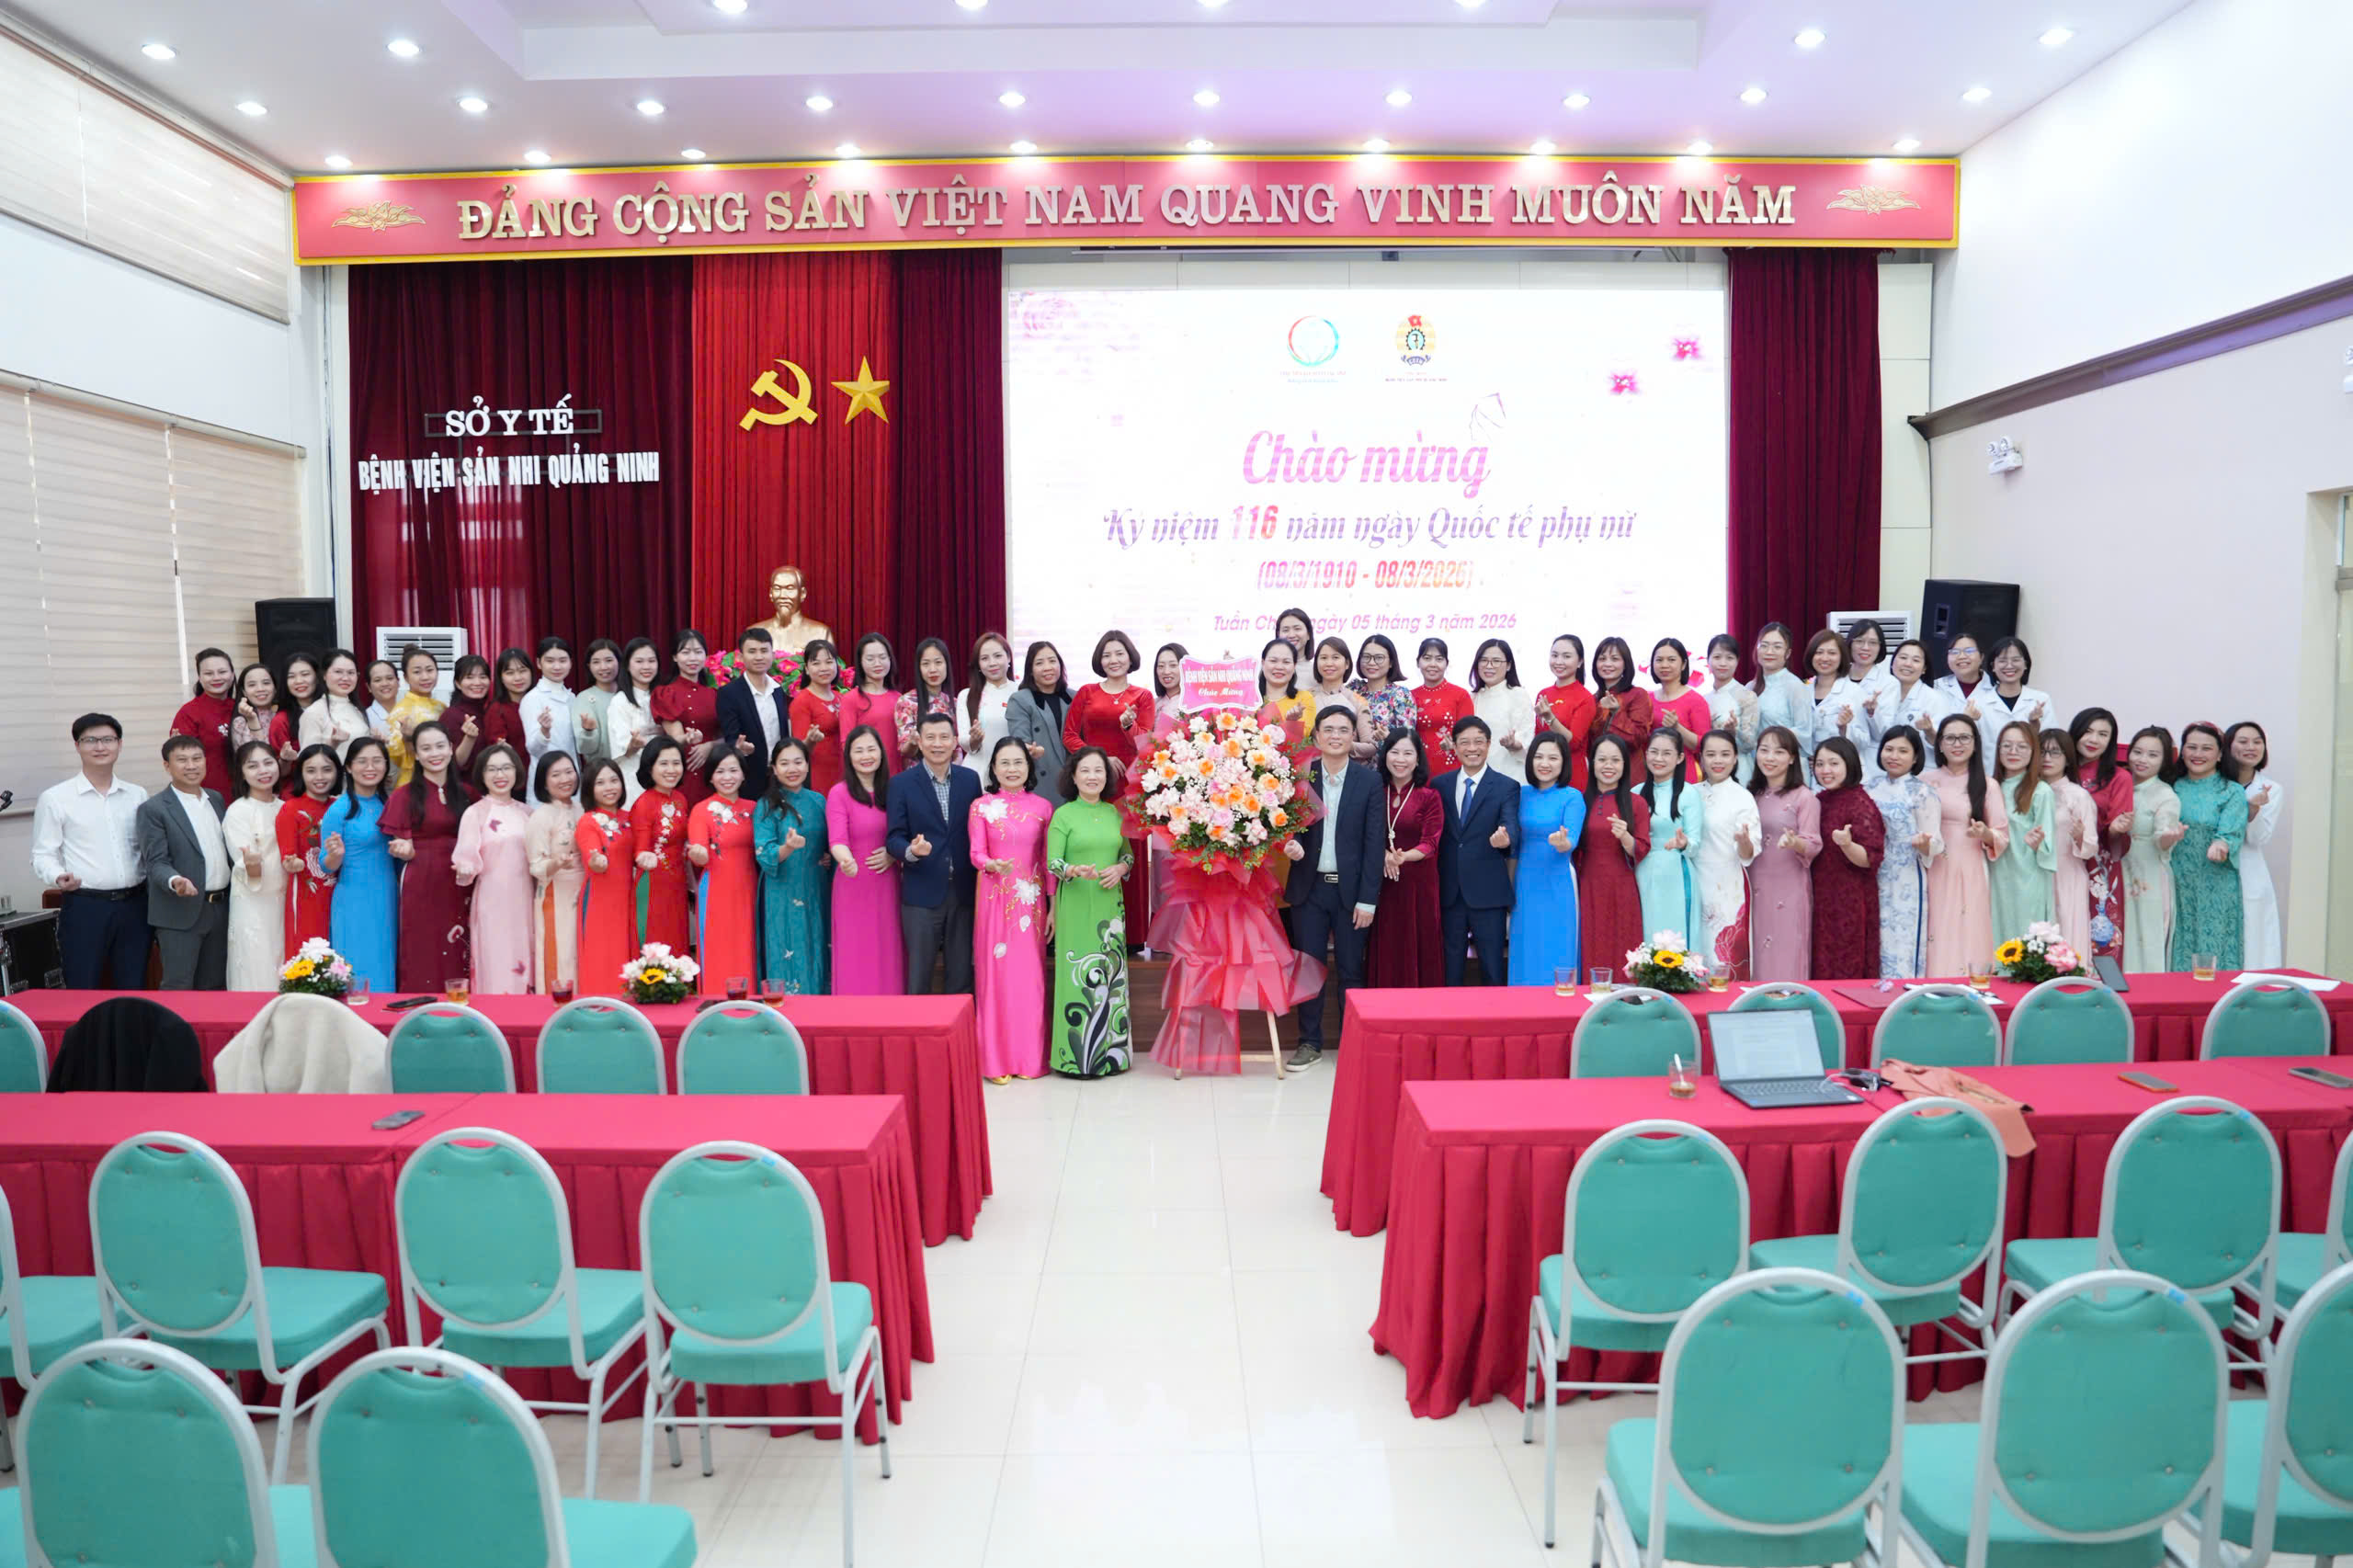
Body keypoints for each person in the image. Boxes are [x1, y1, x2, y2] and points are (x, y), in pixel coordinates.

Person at [1279, 706, 1388, 1069]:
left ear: (1353, 736)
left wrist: (1368, 900)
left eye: (1343, 729)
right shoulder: (1302, 777)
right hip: (1309, 890)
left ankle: (1351, 1045)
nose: (1336, 736)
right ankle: (1309, 1043)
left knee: (1351, 969)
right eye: (1328, 729)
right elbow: (1288, 826)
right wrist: (1291, 845)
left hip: (1351, 892)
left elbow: (1374, 845)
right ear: (1316, 736)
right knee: (1308, 968)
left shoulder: (1369, 782)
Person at [32, 713, 152, 989]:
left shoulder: (137, 795)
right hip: (86, 907)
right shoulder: (56, 798)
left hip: (135, 906)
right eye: (90, 740)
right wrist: (58, 876)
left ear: (119, 744)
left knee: (134, 988)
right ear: (77, 746)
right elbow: (43, 853)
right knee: (83, 987)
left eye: (108, 739)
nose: (100, 747)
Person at [1046, 746, 1134, 1077]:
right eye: (1085, 770)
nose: (1092, 776)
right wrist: (1072, 870)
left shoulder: (1115, 813)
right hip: (1076, 904)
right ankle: (1075, 1059)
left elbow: (1128, 856)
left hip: (1110, 907)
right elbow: (1052, 862)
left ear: (1106, 777)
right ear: (1073, 776)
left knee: (1111, 977)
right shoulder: (1064, 815)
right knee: (1078, 977)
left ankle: (1113, 1057)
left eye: (1098, 770)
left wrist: (1121, 869)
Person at [971, 736, 1053, 1080]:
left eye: (1018, 762)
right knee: (995, 980)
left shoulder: (1043, 808)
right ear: (993, 768)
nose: (1012, 769)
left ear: (1028, 766)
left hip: (1031, 904)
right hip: (994, 900)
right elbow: (976, 853)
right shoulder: (981, 806)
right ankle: (996, 1062)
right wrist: (991, 864)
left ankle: (1029, 1059)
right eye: (1004, 763)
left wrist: (1053, 906)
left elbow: (1047, 862)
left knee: (1029, 980)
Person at [1064, 631, 1154, 944]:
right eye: (1107, 655)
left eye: (1119, 653)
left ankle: (1133, 935)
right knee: (1094, 848)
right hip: (1094, 783)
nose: (1113, 660)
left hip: (1130, 786)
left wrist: (1128, 724)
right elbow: (1070, 736)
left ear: (1130, 657)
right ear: (1099, 660)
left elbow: (1145, 743)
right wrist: (1099, 758)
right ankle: (1094, 929)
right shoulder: (1087, 692)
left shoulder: (1143, 696)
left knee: (1130, 852)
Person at [888, 711, 984, 994]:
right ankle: (915, 1024)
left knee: (961, 976)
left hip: (963, 892)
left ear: (955, 741)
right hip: (921, 891)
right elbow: (893, 837)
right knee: (919, 975)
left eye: (944, 737)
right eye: (930, 737)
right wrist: (911, 851)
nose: (938, 744)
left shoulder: (970, 780)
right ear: (919, 741)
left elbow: (977, 831)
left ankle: (960, 1024)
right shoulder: (901, 784)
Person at [383, 721, 473, 991]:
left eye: (440, 746)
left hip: (462, 880)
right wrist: (403, 848)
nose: (434, 754)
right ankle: (422, 1005)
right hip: (422, 879)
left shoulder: (468, 794)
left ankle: (463, 1006)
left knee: (462, 945)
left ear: (451, 748)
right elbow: (400, 840)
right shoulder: (404, 796)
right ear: (416, 754)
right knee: (423, 945)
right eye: (426, 748)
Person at [137, 734, 233, 989]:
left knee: (215, 986)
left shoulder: (216, 799)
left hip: (220, 908)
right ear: (167, 766)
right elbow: (155, 862)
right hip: (180, 911)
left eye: (197, 758)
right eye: (182, 760)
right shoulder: (154, 809)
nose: (191, 766)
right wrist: (175, 880)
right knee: (178, 986)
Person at [1434, 716, 1519, 986]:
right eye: (1465, 742)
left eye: (1478, 742)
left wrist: (1505, 840)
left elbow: (1511, 826)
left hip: (1488, 893)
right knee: (1450, 971)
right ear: (1455, 746)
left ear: (1489, 744)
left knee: (1493, 969)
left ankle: (1496, 1015)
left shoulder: (1506, 786)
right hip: (1449, 893)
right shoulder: (1439, 785)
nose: (1472, 748)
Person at [1923, 713, 2009, 976]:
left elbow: (2002, 835)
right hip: (1931, 865)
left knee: (1968, 925)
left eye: (1964, 738)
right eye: (1950, 738)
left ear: (1975, 743)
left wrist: (1985, 834)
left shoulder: (1987, 785)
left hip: (1969, 866)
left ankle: (1971, 985)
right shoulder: (1924, 781)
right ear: (1939, 744)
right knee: (1934, 926)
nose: (1957, 744)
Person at [451, 744, 534, 994]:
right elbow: (466, 858)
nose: (500, 775)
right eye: (492, 769)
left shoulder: (528, 813)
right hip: (492, 899)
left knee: (526, 955)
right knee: (495, 958)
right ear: (482, 774)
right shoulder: (475, 813)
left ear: (517, 771)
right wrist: (465, 868)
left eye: (506, 767)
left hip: (526, 899)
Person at [1365, 729, 1445, 988]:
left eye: (1408, 753)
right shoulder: (1374, 791)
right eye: (1395, 752)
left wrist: (1402, 857)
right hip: (1382, 883)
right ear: (1385, 755)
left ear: (1418, 759)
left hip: (1418, 885)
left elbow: (1431, 843)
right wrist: (1384, 856)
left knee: (1419, 946)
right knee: (1387, 946)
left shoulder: (1429, 796)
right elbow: (1362, 834)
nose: (1400, 759)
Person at [827, 726, 904, 996]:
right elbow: (837, 840)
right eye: (858, 750)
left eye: (871, 749)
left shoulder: (894, 789)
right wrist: (846, 860)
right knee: (855, 952)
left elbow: (904, 833)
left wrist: (893, 853)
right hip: (853, 883)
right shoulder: (839, 793)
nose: (866, 756)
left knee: (888, 950)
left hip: (887, 884)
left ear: (882, 753)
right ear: (849, 756)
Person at [2167, 722, 2248, 971]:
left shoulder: (2231, 791)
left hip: (2216, 882)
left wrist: (2221, 844)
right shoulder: (2171, 787)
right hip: (2176, 879)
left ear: (2220, 754)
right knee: (2178, 942)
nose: (2198, 754)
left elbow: (2230, 832)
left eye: (2206, 748)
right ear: (2182, 751)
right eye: (2191, 747)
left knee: (2214, 946)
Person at [1506, 733, 1585, 987]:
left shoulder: (1572, 797)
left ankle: (1561, 1004)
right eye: (1539, 757)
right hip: (1525, 881)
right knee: (1525, 945)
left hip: (1558, 880)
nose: (1545, 763)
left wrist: (1563, 843)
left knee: (1558, 945)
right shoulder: (1520, 794)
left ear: (1564, 762)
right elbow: (1513, 843)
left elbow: (1572, 838)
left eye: (1553, 758)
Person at [755, 737, 831, 996]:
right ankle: (785, 1010)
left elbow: (830, 843)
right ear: (774, 769)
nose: (792, 769)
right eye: (784, 763)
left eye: (798, 762)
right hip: (782, 890)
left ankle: (820, 1004)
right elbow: (764, 853)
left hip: (816, 886)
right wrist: (787, 847)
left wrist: (828, 856)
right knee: (786, 944)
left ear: (807, 765)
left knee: (817, 943)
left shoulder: (819, 801)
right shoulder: (766, 805)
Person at [1867, 726, 1942, 980]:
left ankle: (1902, 993)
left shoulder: (1923, 792)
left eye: (1902, 751)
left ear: (1916, 757)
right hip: (1872, 873)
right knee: (1875, 934)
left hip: (1907, 875)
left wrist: (1923, 844)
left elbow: (1935, 841)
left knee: (1902, 937)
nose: (1894, 756)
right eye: (1889, 749)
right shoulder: (1870, 787)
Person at [1745, 725, 1819, 981]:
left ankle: (1788, 1000)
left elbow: (1813, 843)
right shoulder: (1751, 795)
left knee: (1787, 948)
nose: (1770, 757)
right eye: (1764, 750)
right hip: (1754, 883)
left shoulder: (1804, 797)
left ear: (1792, 758)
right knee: (1756, 947)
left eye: (1778, 752)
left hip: (1789, 886)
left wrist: (1794, 842)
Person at [1578, 733, 1653, 981]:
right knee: (1590, 941)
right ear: (1592, 763)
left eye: (1615, 760)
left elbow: (1641, 849)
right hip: (1587, 884)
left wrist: (1625, 837)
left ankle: (1626, 997)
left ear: (1625, 765)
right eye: (1602, 759)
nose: (1608, 766)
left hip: (1622, 886)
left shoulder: (1636, 803)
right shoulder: (1580, 801)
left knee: (1622, 944)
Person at [1809, 736, 1884, 981]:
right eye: (1820, 764)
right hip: (1820, 894)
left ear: (1849, 764)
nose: (1825, 770)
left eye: (1834, 763)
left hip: (1850, 897)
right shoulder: (1819, 800)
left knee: (1845, 959)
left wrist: (1847, 845)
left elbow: (1870, 858)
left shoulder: (1859, 802)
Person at [326, 737, 398, 992]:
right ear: (348, 767)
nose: (370, 767)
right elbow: (326, 865)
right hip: (354, 900)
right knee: (358, 968)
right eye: (362, 761)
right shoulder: (339, 810)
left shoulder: (391, 804)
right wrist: (335, 855)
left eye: (377, 761)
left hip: (388, 896)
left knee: (386, 964)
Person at [688, 751, 760, 994]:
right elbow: (699, 851)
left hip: (749, 888)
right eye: (720, 771)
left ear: (743, 774)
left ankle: (749, 1002)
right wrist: (698, 853)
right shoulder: (701, 810)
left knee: (747, 945)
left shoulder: (755, 808)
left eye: (733, 770)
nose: (727, 777)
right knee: (718, 947)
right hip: (716, 889)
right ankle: (715, 1002)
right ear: (710, 777)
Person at [1690, 730, 1760, 976]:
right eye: (1711, 754)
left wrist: (1743, 842)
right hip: (1694, 881)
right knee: (1694, 951)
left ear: (1735, 758)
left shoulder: (1743, 797)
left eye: (1725, 754)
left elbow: (1749, 852)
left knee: (1724, 954)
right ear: (1701, 758)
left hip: (1728, 884)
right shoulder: (1691, 793)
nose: (1717, 761)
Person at [2071, 706, 2134, 962]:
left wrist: (2116, 830)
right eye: (2088, 731)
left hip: (2097, 866)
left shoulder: (2119, 777)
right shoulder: (2057, 770)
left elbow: (2117, 838)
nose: (2093, 739)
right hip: (2057, 861)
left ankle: (2100, 987)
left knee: (2100, 936)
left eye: (2103, 734)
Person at [221, 742, 286, 990]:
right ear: (241, 772)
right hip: (253, 903)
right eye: (253, 766)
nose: (263, 771)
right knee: (256, 967)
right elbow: (246, 868)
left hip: (284, 902)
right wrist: (252, 865)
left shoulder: (285, 807)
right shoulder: (238, 811)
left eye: (268, 763)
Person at [1988, 720, 2058, 946]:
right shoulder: (1990, 787)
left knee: (2024, 938)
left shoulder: (2041, 791)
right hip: (1996, 874)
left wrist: (2038, 844)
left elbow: (2049, 847)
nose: (2013, 752)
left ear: (2033, 752)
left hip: (2028, 877)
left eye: (2022, 746)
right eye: (2007, 745)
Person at [2121, 727, 2185, 972]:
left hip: (2147, 876)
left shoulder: (2165, 795)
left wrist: (2169, 837)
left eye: (2152, 755)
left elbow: (2163, 838)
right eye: (2137, 752)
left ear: (2164, 760)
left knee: (2145, 940)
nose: (2142, 759)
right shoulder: (2119, 782)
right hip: (2117, 871)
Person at [2037, 729, 2102, 963]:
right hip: (2034, 874)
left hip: (2067, 872)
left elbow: (2091, 847)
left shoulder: (2077, 795)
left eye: (2055, 752)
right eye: (2042, 752)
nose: (2047, 758)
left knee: (2067, 933)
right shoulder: (2028, 792)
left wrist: (2079, 838)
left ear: (2067, 759)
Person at [574, 761, 638, 997]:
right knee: (603, 958)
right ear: (590, 789)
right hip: (600, 900)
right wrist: (597, 861)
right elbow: (592, 854)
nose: (609, 787)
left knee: (628, 957)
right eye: (600, 783)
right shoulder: (588, 821)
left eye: (614, 780)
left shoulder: (630, 818)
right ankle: (599, 1010)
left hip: (629, 899)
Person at [2222, 721, 2283, 968]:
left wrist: (2254, 809)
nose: (2251, 747)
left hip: (2248, 873)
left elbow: (2258, 838)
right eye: (2243, 741)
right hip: (2213, 869)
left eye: (2257, 742)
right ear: (2228, 746)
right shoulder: (2217, 784)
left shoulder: (2271, 789)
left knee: (2252, 946)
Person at [525, 751, 584, 996]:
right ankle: (559, 1009)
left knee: (581, 953)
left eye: (569, 772)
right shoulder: (541, 817)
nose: (565, 779)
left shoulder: (581, 808)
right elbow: (536, 866)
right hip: (555, 893)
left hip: (585, 891)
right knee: (561, 953)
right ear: (544, 782)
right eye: (556, 775)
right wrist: (556, 863)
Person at [1634, 729, 1703, 941]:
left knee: (1676, 936)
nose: (1659, 759)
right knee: (1646, 933)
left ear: (1680, 758)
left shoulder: (1689, 793)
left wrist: (1684, 843)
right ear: (1646, 754)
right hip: (1642, 872)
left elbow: (1695, 843)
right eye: (1654, 752)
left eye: (1666, 753)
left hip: (1675, 872)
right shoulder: (1635, 793)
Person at [276, 744, 343, 959]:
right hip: (307, 898)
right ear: (301, 774)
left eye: (327, 769)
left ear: (338, 772)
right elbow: (288, 855)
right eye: (311, 770)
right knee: (309, 960)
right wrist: (292, 863)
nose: (319, 777)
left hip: (341, 895)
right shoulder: (291, 809)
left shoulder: (340, 807)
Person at [630, 736, 693, 959]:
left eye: (676, 763)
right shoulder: (644, 803)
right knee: (656, 945)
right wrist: (643, 856)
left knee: (678, 941)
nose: (671, 770)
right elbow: (640, 851)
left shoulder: (681, 799)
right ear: (650, 767)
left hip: (677, 882)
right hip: (652, 884)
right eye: (664, 763)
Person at [653, 629, 722, 807]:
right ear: (675, 657)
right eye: (686, 652)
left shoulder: (714, 694)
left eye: (698, 652)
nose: (693, 658)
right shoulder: (667, 693)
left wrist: (710, 746)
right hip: (685, 768)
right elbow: (676, 738)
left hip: (714, 769)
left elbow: (727, 736)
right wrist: (688, 738)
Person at [1869, 640, 1956, 770]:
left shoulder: (1935, 699)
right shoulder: (1877, 693)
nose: (1908, 664)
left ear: (1924, 669)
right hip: (1880, 769)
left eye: (1916, 660)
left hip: (1921, 771)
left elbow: (1944, 744)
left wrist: (1929, 731)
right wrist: (1872, 713)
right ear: (1892, 663)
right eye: (1903, 658)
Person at [1006, 640, 1074, 807]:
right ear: (1030, 670)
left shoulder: (1075, 697)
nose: (1047, 667)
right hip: (1042, 784)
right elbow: (1020, 740)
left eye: (1052, 661)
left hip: (1075, 782)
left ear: (1060, 665)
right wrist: (1029, 749)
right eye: (1039, 663)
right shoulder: (1020, 700)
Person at [717, 626, 790, 773]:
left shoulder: (778, 690)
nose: (759, 657)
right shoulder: (729, 693)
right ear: (740, 657)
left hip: (781, 772)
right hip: (749, 772)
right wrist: (740, 748)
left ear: (773, 655)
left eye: (764, 651)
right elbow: (731, 738)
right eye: (752, 651)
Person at [170, 646, 240, 801]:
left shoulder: (243, 708)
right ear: (200, 678)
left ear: (232, 674)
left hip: (246, 794)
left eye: (222, 672)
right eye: (209, 673)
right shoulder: (189, 712)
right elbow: (182, 762)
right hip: (207, 797)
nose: (216, 678)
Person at [1535, 634, 1598, 790]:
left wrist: (1550, 717)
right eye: (1554, 655)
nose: (1558, 661)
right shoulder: (1543, 693)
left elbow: (1573, 743)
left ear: (1580, 662)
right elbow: (1538, 738)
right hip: (1543, 775)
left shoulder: (1585, 698)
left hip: (1571, 777)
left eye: (1566, 656)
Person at [517, 637, 576, 802]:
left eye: (562, 661)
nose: (557, 667)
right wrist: (544, 731)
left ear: (570, 663)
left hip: (571, 779)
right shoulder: (532, 699)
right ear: (538, 663)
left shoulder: (572, 698)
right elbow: (533, 748)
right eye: (550, 661)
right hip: (545, 781)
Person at [1469, 638, 1536, 782]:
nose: (1489, 666)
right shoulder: (1472, 697)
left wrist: (1514, 744)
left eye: (1496, 661)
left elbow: (1526, 735)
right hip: (1477, 775)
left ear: (1509, 665)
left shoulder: (1518, 694)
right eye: (1483, 660)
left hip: (1510, 774)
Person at [1750, 623, 1813, 772]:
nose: (1769, 651)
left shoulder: (1795, 686)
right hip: (1758, 765)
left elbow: (1804, 731)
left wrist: (1772, 739)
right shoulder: (1750, 687)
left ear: (1788, 653)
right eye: (1764, 645)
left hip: (1788, 767)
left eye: (1777, 647)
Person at [790, 639, 847, 794]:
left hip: (844, 771)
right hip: (818, 775)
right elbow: (798, 751)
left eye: (829, 662)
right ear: (807, 669)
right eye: (816, 663)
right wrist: (811, 740)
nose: (824, 668)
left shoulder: (841, 698)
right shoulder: (802, 701)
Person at [609, 638, 664, 803]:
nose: (646, 667)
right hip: (633, 777)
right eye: (639, 661)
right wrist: (633, 745)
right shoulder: (620, 701)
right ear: (627, 665)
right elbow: (620, 748)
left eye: (651, 661)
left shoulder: (664, 696)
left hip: (664, 774)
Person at [893, 636, 963, 766]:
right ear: (919, 668)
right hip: (918, 773)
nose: (932, 669)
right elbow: (905, 751)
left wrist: (957, 764)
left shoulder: (955, 703)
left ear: (947, 665)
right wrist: (913, 742)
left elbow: (957, 746)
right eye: (926, 664)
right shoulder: (906, 702)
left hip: (948, 772)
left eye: (938, 662)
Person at [1802, 629, 1870, 762]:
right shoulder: (1803, 691)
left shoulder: (1854, 692)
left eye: (1832, 653)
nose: (1824, 658)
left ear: (1841, 657)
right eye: (1819, 652)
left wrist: (1844, 728)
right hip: (1806, 767)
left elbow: (1864, 741)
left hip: (1840, 766)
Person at [1981, 637, 2057, 753]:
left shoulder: (2041, 700)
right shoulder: (1978, 704)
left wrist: (2034, 727)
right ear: (1993, 666)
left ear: (2025, 664)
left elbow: (2051, 742)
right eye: (2002, 661)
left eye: (2015, 660)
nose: (2009, 666)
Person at [1702, 636, 1761, 784]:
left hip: (1739, 771)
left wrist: (1733, 733)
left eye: (1729, 658)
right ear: (1708, 660)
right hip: (1709, 770)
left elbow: (1750, 744)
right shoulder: (1703, 699)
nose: (1723, 663)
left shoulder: (1747, 696)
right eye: (1717, 657)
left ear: (1737, 661)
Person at [384, 643, 446, 784]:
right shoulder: (401, 711)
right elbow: (396, 757)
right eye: (417, 672)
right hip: (413, 781)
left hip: (441, 778)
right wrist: (407, 740)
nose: (425, 677)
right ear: (406, 677)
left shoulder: (441, 707)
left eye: (430, 670)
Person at [1351, 634, 1418, 764]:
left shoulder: (1401, 695)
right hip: (1351, 768)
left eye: (1379, 658)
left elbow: (1409, 740)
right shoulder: (1353, 689)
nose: (1371, 663)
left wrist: (1389, 738)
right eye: (1366, 657)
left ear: (1391, 662)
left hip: (1387, 768)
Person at [1647, 640, 1709, 779]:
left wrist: (1677, 727)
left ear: (1684, 664)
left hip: (1684, 774)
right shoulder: (1647, 699)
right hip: (1652, 773)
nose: (1664, 665)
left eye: (1671, 660)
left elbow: (1704, 745)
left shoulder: (1696, 700)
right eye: (1659, 660)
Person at [1411, 636, 1474, 772]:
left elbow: (1469, 735)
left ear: (1446, 663)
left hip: (1451, 767)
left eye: (1439, 659)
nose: (1433, 664)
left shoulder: (1460, 695)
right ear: (1418, 662)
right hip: (1416, 768)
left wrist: (1454, 745)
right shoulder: (1408, 696)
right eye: (1427, 658)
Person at [961, 631, 1021, 774]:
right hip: (977, 772)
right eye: (984, 658)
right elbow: (963, 740)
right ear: (978, 664)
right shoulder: (966, 695)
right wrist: (974, 740)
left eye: (998, 656)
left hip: (1012, 771)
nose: (992, 663)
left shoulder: (1021, 692)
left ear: (1009, 657)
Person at [1588, 637, 1657, 758]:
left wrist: (1616, 712)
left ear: (1625, 664)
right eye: (1602, 659)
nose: (1607, 664)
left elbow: (1638, 739)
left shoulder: (1638, 695)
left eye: (1614, 659)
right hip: (1598, 766)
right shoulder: (1592, 699)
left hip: (1629, 766)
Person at [438, 654, 500, 778]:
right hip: (466, 787)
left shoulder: (492, 710)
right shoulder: (450, 716)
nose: (477, 683)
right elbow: (454, 763)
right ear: (458, 683)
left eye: (483, 677)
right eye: (469, 677)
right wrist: (469, 738)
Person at [300, 650, 370, 756]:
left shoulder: (357, 709)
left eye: (351, 673)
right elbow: (308, 759)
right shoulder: (314, 713)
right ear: (324, 675)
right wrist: (332, 744)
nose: (345, 678)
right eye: (338, 672)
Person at [570, 639, 624, 775]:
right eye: (596, 662)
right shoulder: (584, 699)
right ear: (589, 666)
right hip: (600, 773)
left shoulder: (629, 694)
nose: (603, 667)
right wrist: (588, 732)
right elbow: (585, 749)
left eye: (609, 660)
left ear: (619, 661)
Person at [840, 632, 901, 753]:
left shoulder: (899, 698)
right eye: (870, 659)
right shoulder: (851, 699)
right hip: (867, 764)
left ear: (890, 659)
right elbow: (847, 744)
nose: (877, 663)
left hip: (897, 765)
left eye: (882, 657)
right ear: (860, 662)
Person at [1303, 636, 1367, 747]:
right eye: (1323, 658)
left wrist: (1342, 745)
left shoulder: (1358, 701)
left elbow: (1370, 746)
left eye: (1335, 657)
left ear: (1347, 663)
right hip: (1312, 759)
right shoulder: (1306, 697)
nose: (1329, 663)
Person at [1842, 620, 1897, 733]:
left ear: (1880, 647)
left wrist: (1872, 713)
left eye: (1873, 643)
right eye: (1859, 641)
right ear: (1850, 644)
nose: (1865, 647)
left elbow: (1885, 732)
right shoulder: (1838, 676)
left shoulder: (1889, 683)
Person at [1255, 638, 1312, 733]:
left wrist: (1292, 723)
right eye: (1273, 661)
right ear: (1263, 663)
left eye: (1286, 662)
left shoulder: (1304, 699)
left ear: (1294, 666)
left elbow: (1304, 736)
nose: (1279, 667)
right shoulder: (1249, 699)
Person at [363, 658, 402, 742]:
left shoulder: (411, 710)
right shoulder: (365, 719)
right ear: (369, 687)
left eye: (389, 678)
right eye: (377, 680)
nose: (385, 684)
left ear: (398, 682)